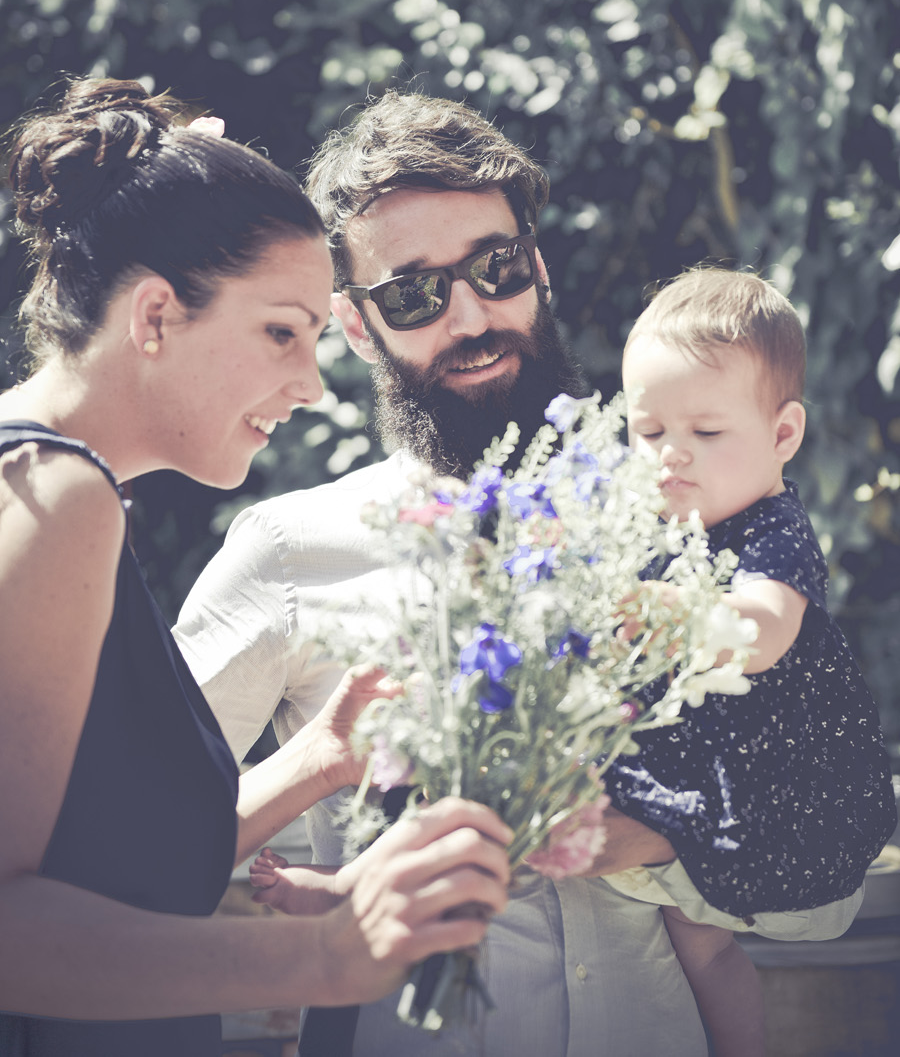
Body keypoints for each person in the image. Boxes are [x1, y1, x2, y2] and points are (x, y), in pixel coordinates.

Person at [175, 90, 716, 1057]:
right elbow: (127, 851)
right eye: (413, 295)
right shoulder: (290, 550)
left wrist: (673, 832)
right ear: (355, 324)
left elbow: (805, 837)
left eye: (495, 267)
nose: (471, 316)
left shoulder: (682, 519)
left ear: (537, 267)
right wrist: (316, 763)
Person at [0, 78, 513, 1057]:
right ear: (155, 315)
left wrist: (319, 757)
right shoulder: (58, 495)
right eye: (282, 331)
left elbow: (110, 872)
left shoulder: (42, 478)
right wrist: (324, 955)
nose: (312, 385)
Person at [601, 266, 897, 1057]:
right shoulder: (660, 531)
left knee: (685, 917)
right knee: (697, 943)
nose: (671, 455)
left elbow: (763, 629)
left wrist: (673, 613)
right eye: (649, 431)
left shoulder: (772, 531)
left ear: (782, 436)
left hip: (781, 788)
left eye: (705, 432)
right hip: (707, 766)